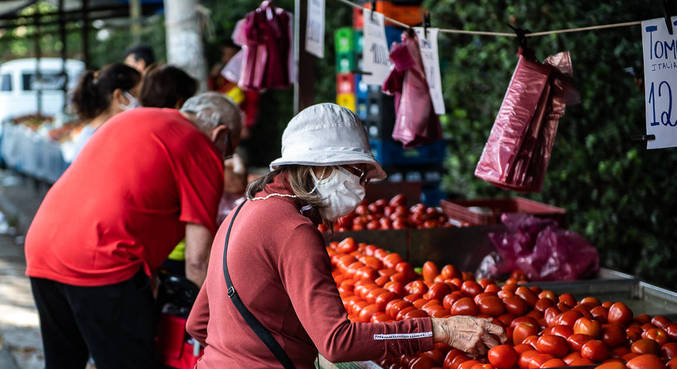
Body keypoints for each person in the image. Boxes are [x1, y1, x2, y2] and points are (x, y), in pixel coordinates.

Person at [186, 103, 506, 368]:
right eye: (358, 173)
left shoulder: (241, 213)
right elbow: (337, 343)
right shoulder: (293, 230)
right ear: (322, 168)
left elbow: (198, 323)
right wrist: (439, 329)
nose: (363, 189)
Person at [25, 92, 242, 369]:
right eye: (229, 150)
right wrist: (216, 324)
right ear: (220, 133)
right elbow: (198, 259)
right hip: (101, 260)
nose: (224, 158)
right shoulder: (200, 145)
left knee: (63, 362)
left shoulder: (134, 117)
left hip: (42, 246)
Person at [61, 63, 141, 162]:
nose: (140, 102)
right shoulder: (99, 141)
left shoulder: (97, 133)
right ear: (119, 96)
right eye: (136, 94)